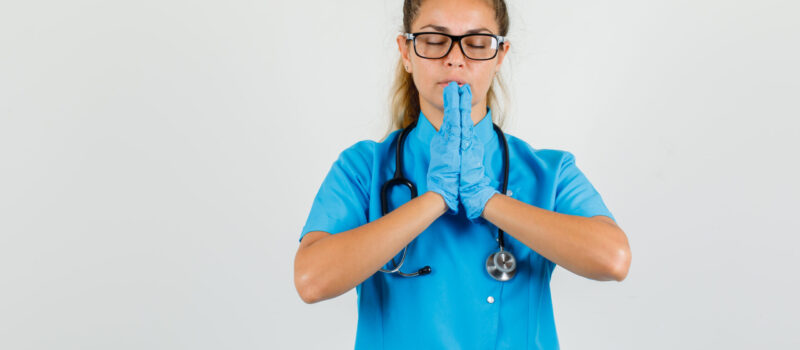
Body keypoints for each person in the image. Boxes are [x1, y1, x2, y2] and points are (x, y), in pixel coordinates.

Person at [293, 0, 632, 348]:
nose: (455, 58)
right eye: (435, 40)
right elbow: (312, 280)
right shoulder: (364, 167)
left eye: (476, 42)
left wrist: (485, 198)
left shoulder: (549, 172)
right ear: (406, 52)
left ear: (500, 55)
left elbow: (614, 259)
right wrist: (434, 199)